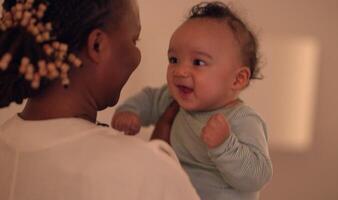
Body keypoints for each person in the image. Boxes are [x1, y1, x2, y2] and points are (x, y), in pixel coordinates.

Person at [0, 0, 200, 199]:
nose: (136, 55)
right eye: (134, 40)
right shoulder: (142, 170)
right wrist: (157, 167)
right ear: (97, 45)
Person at [112, 2, 273, 200]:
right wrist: (130, 111)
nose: (180, 71)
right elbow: (149, 98)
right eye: (174, 60)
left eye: (198, 62)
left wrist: (225, 145)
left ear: (237, 79)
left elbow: (258, 176)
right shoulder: (174, 100)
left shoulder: (242, 120)